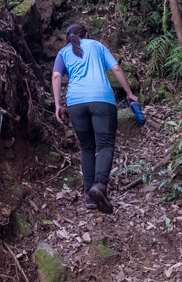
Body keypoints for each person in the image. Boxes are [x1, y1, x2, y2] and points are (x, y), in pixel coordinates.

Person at [51, 23, 137, 214]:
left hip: (75, 103)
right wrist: (129, 93)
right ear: (86, 34)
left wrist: (58, 104)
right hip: (102, 101)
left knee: (87, 146)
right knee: (105, 144)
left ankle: (89, 196)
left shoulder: (63, 53)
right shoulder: (97, 46)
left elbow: (56, 76)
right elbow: (116, 69)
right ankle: (99, 185)